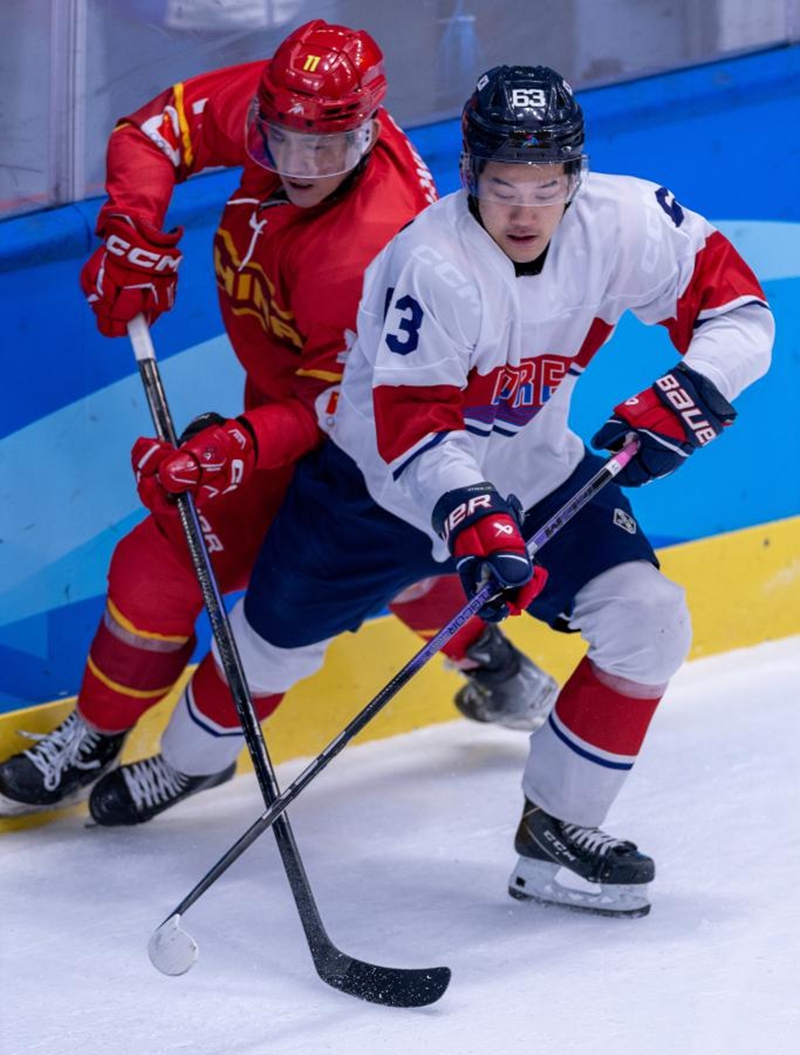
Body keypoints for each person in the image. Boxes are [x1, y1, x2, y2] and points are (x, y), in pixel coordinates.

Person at [117, 61, 774, 915]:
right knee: (268, 645)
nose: (527, 208)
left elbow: (742, 312)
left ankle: (556, 835)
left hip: (533, 472)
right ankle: (190, 760)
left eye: (548, 184)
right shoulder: (426, 264)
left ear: (577, 173)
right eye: (504, 185)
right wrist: (471, 520)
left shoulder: (626, 220)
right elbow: (412, 430)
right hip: (376, 491)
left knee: (649, 621)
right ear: (469, 173)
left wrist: (696, 392)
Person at [0, 27, 557, 822]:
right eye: (281, 140)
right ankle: (494, 662)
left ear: (365, 135)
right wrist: (132, 226)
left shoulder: (371, 250)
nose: (297, 166)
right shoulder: (300, 109)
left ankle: (143, 746)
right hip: (314, 411)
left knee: (183, 568)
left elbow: (342, 411)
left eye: (323, 152)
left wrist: (240, 448)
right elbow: (154, 131)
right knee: (389, 564)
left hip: (378, 445)